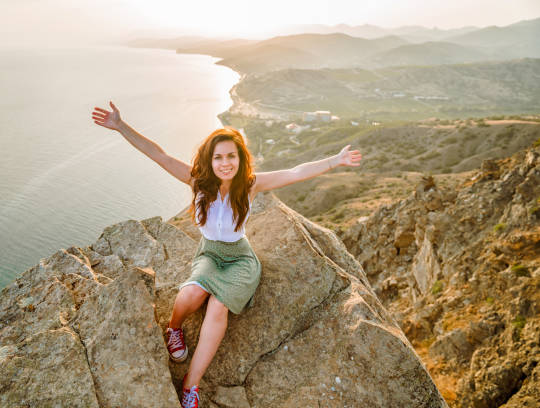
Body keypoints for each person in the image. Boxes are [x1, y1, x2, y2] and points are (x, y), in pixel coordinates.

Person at [92, 101, 362, 408]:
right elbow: (158, 154)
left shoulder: (250, 184)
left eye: (231, 156)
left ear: (240, 158)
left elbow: (295, 171)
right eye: (218, 157)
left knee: (218, 307)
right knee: (191, 296)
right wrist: (121, 125)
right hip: (210, 253)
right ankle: (174, 328)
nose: (225, 163)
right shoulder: (197, 180)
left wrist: (335, 160)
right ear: (210, 160)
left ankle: (190, 384)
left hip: (240, 259)